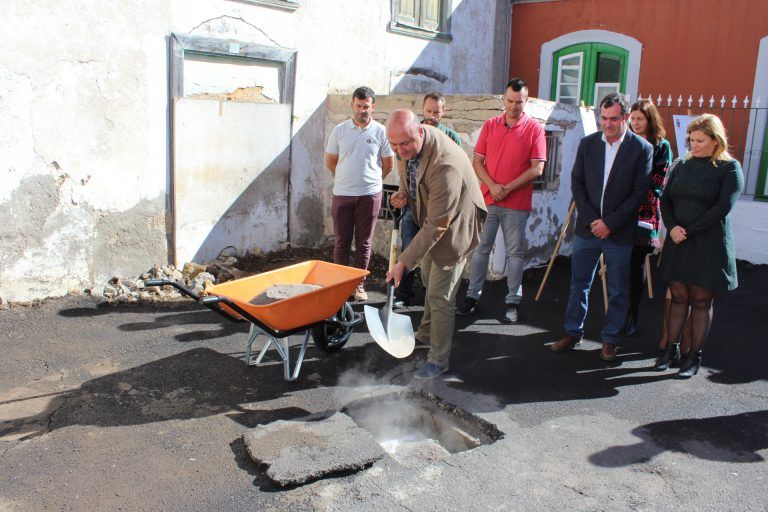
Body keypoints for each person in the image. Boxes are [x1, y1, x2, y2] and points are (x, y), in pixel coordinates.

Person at [549, 93, 652, 361]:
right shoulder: (588, 144)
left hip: (619, 233)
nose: (607, 124)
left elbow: (639, 193)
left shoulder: (642, 149)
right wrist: (594, 220)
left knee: (618, 288)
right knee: (578, 284)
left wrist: (610, 223)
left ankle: (610, 339)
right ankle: (573, 332)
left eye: (614, 119)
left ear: (626, 118)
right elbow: (577, 184)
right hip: (588, 229)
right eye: (603, 118)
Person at [386, 109, 487, 380]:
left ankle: (439, 358)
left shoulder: (445, 163)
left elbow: (438, 224)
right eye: (393, 145)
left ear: (419, 132)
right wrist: (404, 194)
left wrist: (402, 263)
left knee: (441, 295)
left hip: (456, 227)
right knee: (429, 279)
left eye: (404, 144)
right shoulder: (410, 146)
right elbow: (412, 174)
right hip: (431, 221)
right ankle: (426, 333)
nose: (399, 150)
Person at [657, 114, 743, 378]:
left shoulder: (729, 168)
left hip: (708, 243)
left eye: (700, 140)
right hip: (678, 240)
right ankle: (669, 351)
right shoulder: (681, 164)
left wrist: (688, 231)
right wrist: (672, 227)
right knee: (679, 297)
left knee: (701, 300)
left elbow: (722, 208)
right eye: (691, 140)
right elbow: (665, 199)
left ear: (716, 141)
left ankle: (694, 356)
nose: (693, 145)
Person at [456, 78, 547, 323]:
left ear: (526, 101)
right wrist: (494, 186)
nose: (514, 106)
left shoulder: (535, 129)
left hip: (516, 203)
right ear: (503, 99)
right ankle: (472, 297)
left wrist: (506, 188)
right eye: (509, 101)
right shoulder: (490, 125)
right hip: (488, 199)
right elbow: (477, 162)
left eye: (519, 102)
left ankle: (512, 302)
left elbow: (537, 169)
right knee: (480, 249)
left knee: (515, 253)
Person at [325, 86, 394, 301]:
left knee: (364, 243)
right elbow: (331, 161)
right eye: (358, 105)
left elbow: (388, 165)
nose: (362, 110)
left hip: (369, 195)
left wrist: (369, 182)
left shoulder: (381, 132)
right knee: (342, 242)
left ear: (373, 107)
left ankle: (358, 286)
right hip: (342, 194)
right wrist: (348, 181)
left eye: (366, 106)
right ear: (352, 105)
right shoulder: (339, 130)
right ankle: (340, 285)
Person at [394, 92, 462, 309]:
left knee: (431, 252)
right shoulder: (409, 133)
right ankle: (402, 294)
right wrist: (402, 192)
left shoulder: (450, 137)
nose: (432, 116)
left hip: (436, 208)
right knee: (409, 247)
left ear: (444, 112)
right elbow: (403, 167)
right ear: (422, 110)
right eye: (429, 111)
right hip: (413, 207)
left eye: (437, 112)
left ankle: (429, 297)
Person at [623, 99, 672, 337]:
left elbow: (659, 183)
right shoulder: (624, 141)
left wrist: (633, 196)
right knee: (620, 264)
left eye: (639, 119)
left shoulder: (661, 146)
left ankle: (632, 313)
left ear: (650, 120)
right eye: (632, 119)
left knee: (636, 263)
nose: (635, 123)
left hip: (645, 212)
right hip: (622, 212)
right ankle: (618, 312)